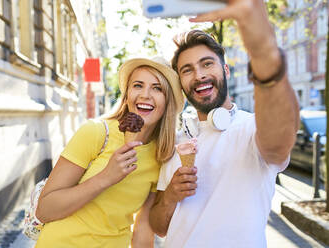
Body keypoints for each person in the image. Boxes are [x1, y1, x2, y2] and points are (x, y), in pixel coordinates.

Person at [149, 0, 300, 247]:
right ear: (181, 82)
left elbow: (279, 142)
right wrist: (170, 198)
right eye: (187, 70)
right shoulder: (177, 141)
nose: (199, 75)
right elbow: (159, 227)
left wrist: (262, 47)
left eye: (207, 63)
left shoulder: (252, 129)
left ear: (226, 71)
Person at [34, 57, 184, 248]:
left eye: (157, 88)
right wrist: (106, 177)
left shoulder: (162, 155)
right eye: (138, 85)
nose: (145, 95)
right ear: (127, 94)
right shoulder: (96, 132)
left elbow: (142, 231)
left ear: (168, 101)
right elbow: (45, 210)